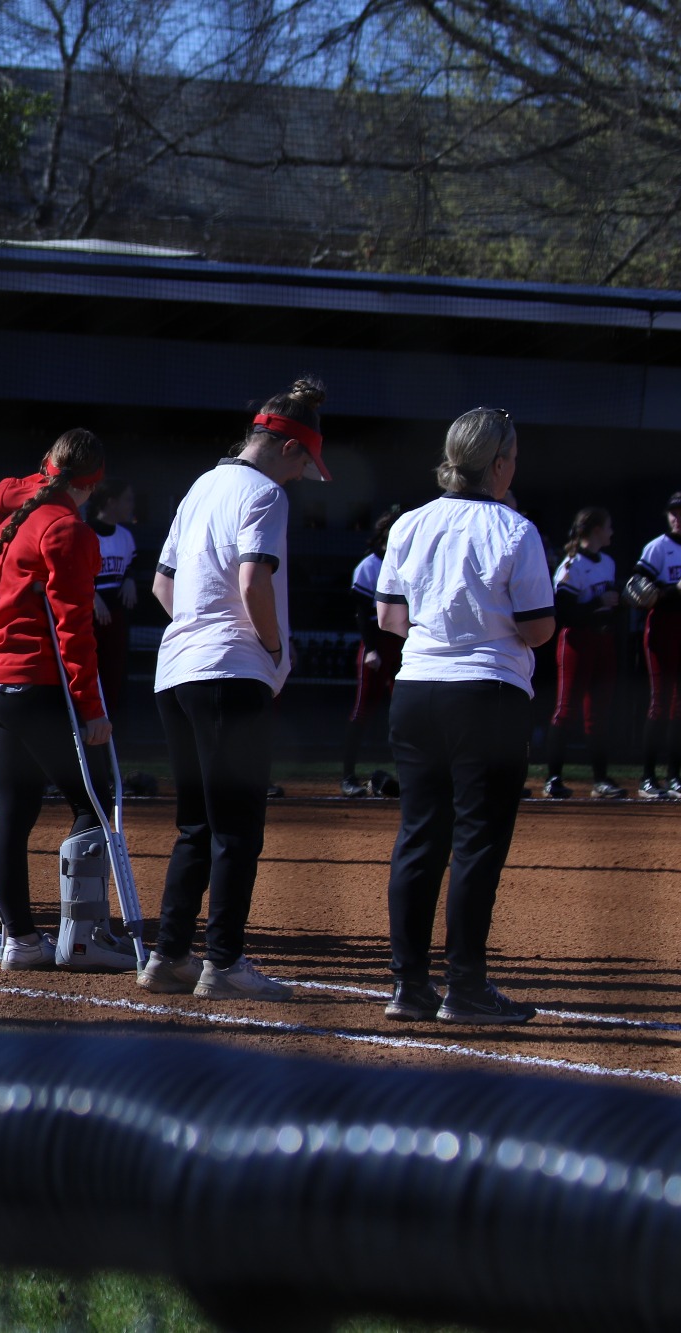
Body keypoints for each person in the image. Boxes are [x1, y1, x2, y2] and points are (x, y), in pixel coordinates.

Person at [141, 378, 330, 1001]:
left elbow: (162, 586)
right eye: (303, 464)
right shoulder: (266, 493)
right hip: (232, 672)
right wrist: (271, 648)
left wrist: (201, 629)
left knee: (196, 825)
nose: (300, 477)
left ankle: (169, 956)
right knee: (238, 828)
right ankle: (223, 963)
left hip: (178, 670)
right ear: (289, 448)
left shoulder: (201, 485)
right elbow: (253, 582)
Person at [374, 406, 553, 1024]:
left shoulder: (410, 523)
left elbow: (389, 618)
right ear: (498, 464)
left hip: (416, 690)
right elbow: (538, 629)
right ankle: (467, 988)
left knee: (419, 836)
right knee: (477, 842)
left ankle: (408, 987)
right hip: (488, 695)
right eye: (513, 460)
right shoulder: (515, 529)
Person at [0, 429, 132, 972]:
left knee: (15, 811)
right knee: (94, 801)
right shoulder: (66, 529)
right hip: (32, 682)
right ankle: (85, 940)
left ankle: (20, 939)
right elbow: (75, 631)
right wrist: (92, 710)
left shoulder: (14, 514)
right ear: (92, 483)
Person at [543, 506, 623, 799]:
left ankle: (601, 779)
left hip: (603, 640)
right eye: (608, 526)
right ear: (596, 530)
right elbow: (564, 612)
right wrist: (598, 603)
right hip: (576, 641)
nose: (611, 531)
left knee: (598, 713)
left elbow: (607, 607)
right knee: (566, 710)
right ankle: (553, 778)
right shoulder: (571, 565)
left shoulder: (608, 562)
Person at [343, 507, 403, 798]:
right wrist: (371, 648)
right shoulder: (370, 565)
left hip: (403, 645)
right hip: (377, 646)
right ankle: (348, 776)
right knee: (362, 710)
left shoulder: (408, 562)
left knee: (406, 713)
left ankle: (409, 775)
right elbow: (361, 613)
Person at [632, 494, 681, 799]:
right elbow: (638, 589)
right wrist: (672, 590)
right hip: (663, 628)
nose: (677, 517)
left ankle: (674, 776)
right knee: (660, 702)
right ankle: (648, 778)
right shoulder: (658, 547)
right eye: (673, 512)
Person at [86, 478, 139, 739]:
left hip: (116, 617)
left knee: (114, 674)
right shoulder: (85, 533)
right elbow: (74, 573)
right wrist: (92, 596)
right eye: (127, 499)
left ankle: (113, 731)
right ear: (110, 501)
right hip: (89, 618)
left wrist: (129, 579)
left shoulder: (125, 536)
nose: (131, 505)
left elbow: (130, 566)